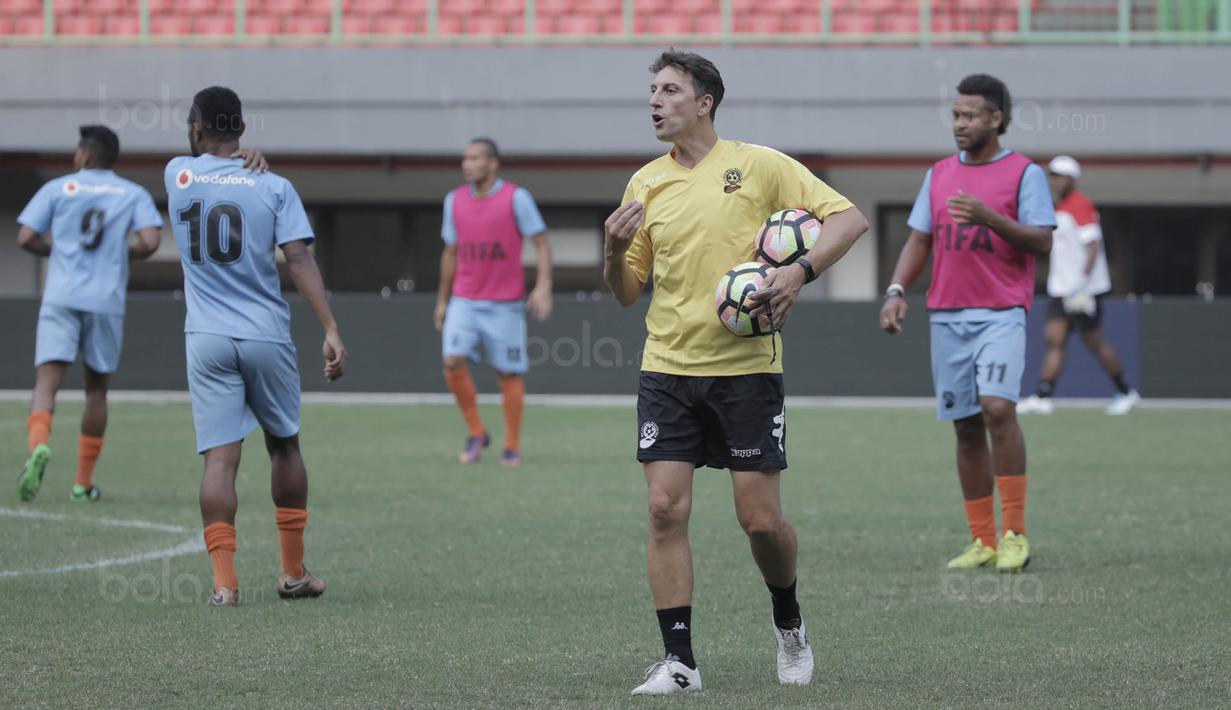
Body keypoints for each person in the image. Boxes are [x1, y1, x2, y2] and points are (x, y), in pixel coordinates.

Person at [604, 50, 868, 694]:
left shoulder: (759, 164)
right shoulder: (645, 184)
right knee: (665, 510)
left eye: (669, 90)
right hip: (666, 367)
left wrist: (797, 271)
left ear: (705, 102)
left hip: (745, 369)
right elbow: (626, 290)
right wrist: (611, 250)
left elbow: (850, 219)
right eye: (652, 91)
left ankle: (789, 622)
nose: (655, 101)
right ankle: (680, 663)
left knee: (760, 522)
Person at [165, 86, 347, 607]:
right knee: (284, 445)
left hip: (206, 338)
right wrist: (330, 327)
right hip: (265, 332)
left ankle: (225, 584)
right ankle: (293, 574)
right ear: (243, 130)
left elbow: (199, 159)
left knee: (219, 461)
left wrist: (221, 152)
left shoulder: (175, 175)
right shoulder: (274, 186)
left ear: (196, 128)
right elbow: (299, 260)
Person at [879, 74, 1055, 573]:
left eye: (971, 115)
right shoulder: (938, 174)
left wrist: (989, 217)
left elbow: (1042, 241)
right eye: (955, 115)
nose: (960, 124)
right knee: (965, 426)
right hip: (947, 316)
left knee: (998, 409)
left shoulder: (1025, 173)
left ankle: (1015, 533)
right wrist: (896, 290)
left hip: (1001, 313)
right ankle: (983, 540)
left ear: (996, 118)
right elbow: (919, 239)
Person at [15, 125, 163, 503]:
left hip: (61, 297)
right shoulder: (132, 193)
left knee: (46, 384)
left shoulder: (58, 189)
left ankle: (38, 448)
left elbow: (26, 237)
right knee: (96, 392)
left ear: (83, 154)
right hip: (105, 300)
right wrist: (123, 253)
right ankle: (82, 484)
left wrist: (57, 250)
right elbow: (150, 241)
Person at [434, 138, 553, 467]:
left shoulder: (517, 198)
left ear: (493, 164)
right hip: (464, 300)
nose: (467, 164)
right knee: (452, 360)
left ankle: (511, 445)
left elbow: (542, 244)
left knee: (507, 372)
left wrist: (543, 286)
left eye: (475, 158)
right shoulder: (453, 201)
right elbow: (450, 252)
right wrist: (443, 300)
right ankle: (476, 432)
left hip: (505, 304)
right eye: (465, 158)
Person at [1017, 156, 1140, 416]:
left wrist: (1082, 285)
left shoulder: (1081, 205)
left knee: (1093, 340)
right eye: (1053, 176)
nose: (1056, 181)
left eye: (1061, 176)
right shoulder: (1056, 209)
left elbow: (1092, 247)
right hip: (1061, 290)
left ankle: (1126, 391)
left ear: (1073, 179)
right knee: (1054, 339)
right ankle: (1043, 396)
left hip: (1081, 291)